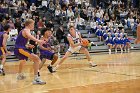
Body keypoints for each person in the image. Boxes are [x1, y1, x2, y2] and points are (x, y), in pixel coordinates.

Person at [14, 19, 46, 85]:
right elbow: (29, 36)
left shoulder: (23, 31)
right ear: (29, 25)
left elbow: (21, 42)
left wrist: (28, 45)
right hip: (20, 49)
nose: (34, 25)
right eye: (33, 24)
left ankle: (20, 75)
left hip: (20, 48)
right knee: (36, 59)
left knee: (23, 61)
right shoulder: (26, 30)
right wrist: (38, 41)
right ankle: (36, 79)